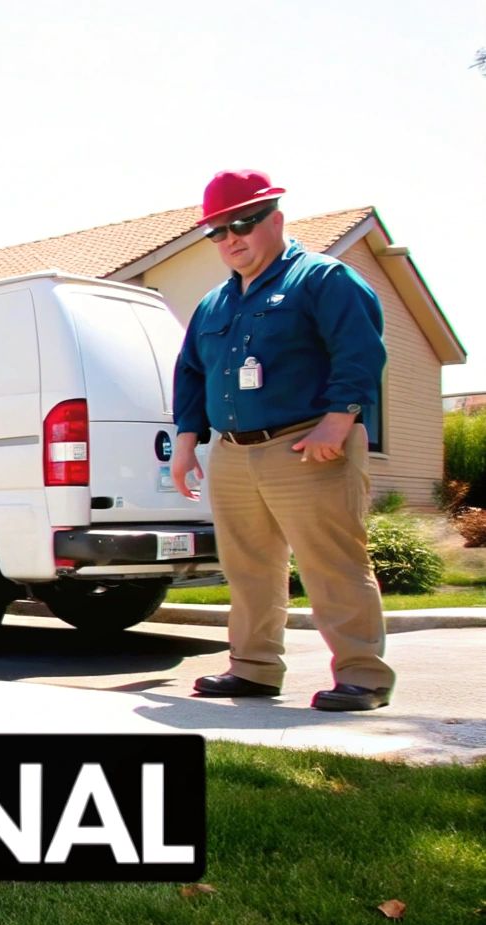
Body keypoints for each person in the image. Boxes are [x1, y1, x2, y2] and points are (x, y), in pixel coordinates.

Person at [170, 170, 393, 713]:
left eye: (243, 223)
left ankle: (363, 676)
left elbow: (359, 351)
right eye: (217, 232)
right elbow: (192, 372)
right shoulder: (214, 304)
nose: (231, 239)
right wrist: (186, 442)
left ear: (275, 218)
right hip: (233, 450)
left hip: (307, 444)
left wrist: (338, 421)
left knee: (332, 562)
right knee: (248, 567)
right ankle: (252, 668)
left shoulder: (322, 279)